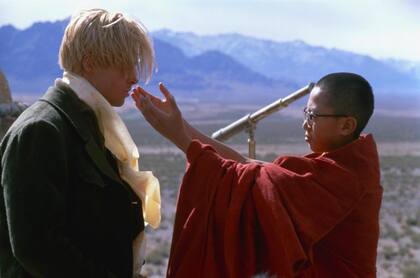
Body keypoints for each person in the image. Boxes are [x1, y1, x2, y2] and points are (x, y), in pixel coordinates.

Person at [131, 72, 383, 277]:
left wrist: (179, 136)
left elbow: (255, 178)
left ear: (347, 125)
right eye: (305, 114)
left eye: (313, 115)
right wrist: (181, 127)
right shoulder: (341, 164)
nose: (305, 123)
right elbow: (248, 167)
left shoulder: (346, 178)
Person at [0, 8, 161, 278]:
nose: (133, 77)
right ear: (90, 63)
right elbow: (37, 249)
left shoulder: (87, 124)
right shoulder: (42, 131)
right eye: (124, 65)